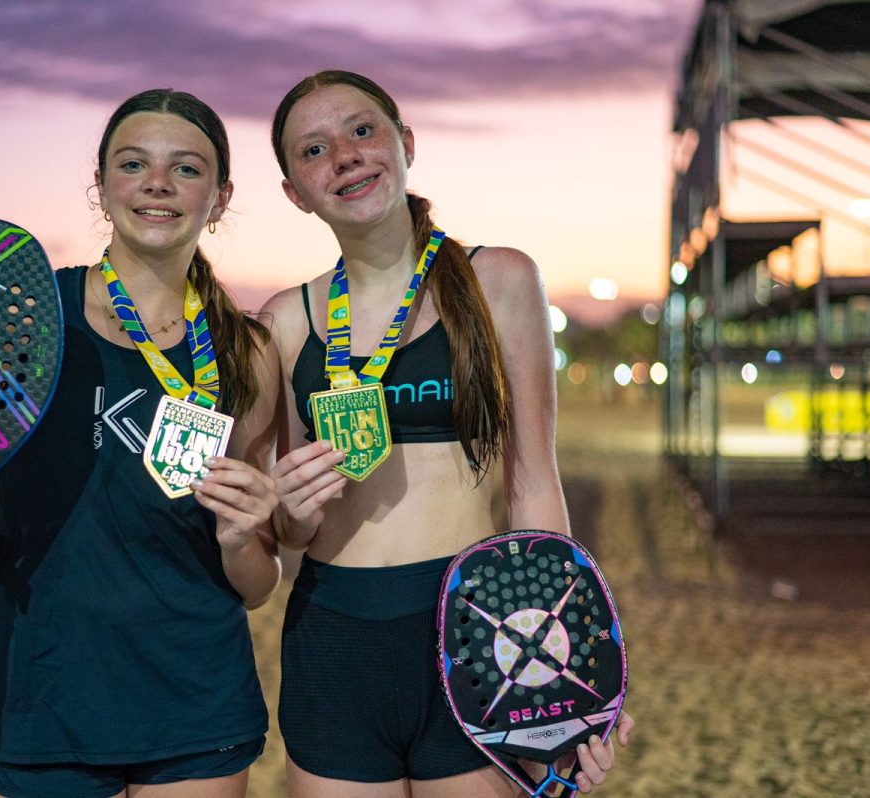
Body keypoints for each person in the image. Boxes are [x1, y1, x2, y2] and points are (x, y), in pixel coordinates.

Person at [0, 89, 281, 798]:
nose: (158, 183)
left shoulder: (247, 352)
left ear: (220, 197)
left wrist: (241, 539)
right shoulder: (24, 320)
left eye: (185, 169)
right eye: (134, 163)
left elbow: (256, 587)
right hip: (45, 689)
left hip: (195, 699)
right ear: (102, 186)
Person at [262, 70, 636, 797]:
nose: (343, 154)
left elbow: (532, 484)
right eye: (313, 149)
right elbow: (286, 529)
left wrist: (574, 664)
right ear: (294, 192)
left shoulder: (497, 280)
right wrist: (290, 511)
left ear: (404, 142)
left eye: (363, 130)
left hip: (483, 631)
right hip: (335, 637)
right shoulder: (284, 322)